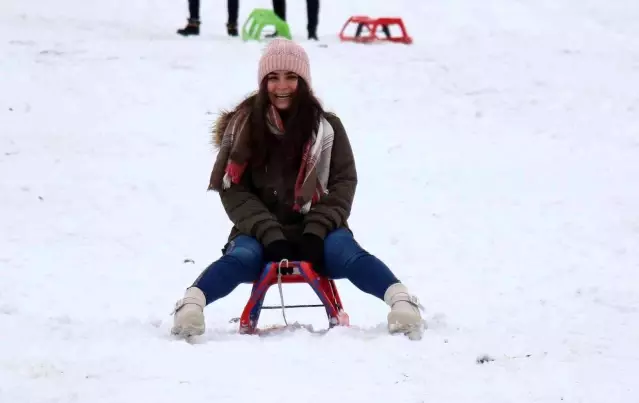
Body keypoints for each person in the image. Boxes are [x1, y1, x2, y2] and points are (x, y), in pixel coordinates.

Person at [170, 38, 424, 339]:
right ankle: (191, 305)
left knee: (346, 252)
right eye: (273, 78)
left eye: (291, 77)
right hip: (257, 231)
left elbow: (343, 184)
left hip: (319, 229)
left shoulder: (327, 128)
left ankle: (401, 301)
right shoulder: (243, 129)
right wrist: (269, 232)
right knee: (242, 257)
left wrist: (316, 230)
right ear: (263, 83)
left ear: (303, 82)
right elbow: (234, 190)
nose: (282, 86)